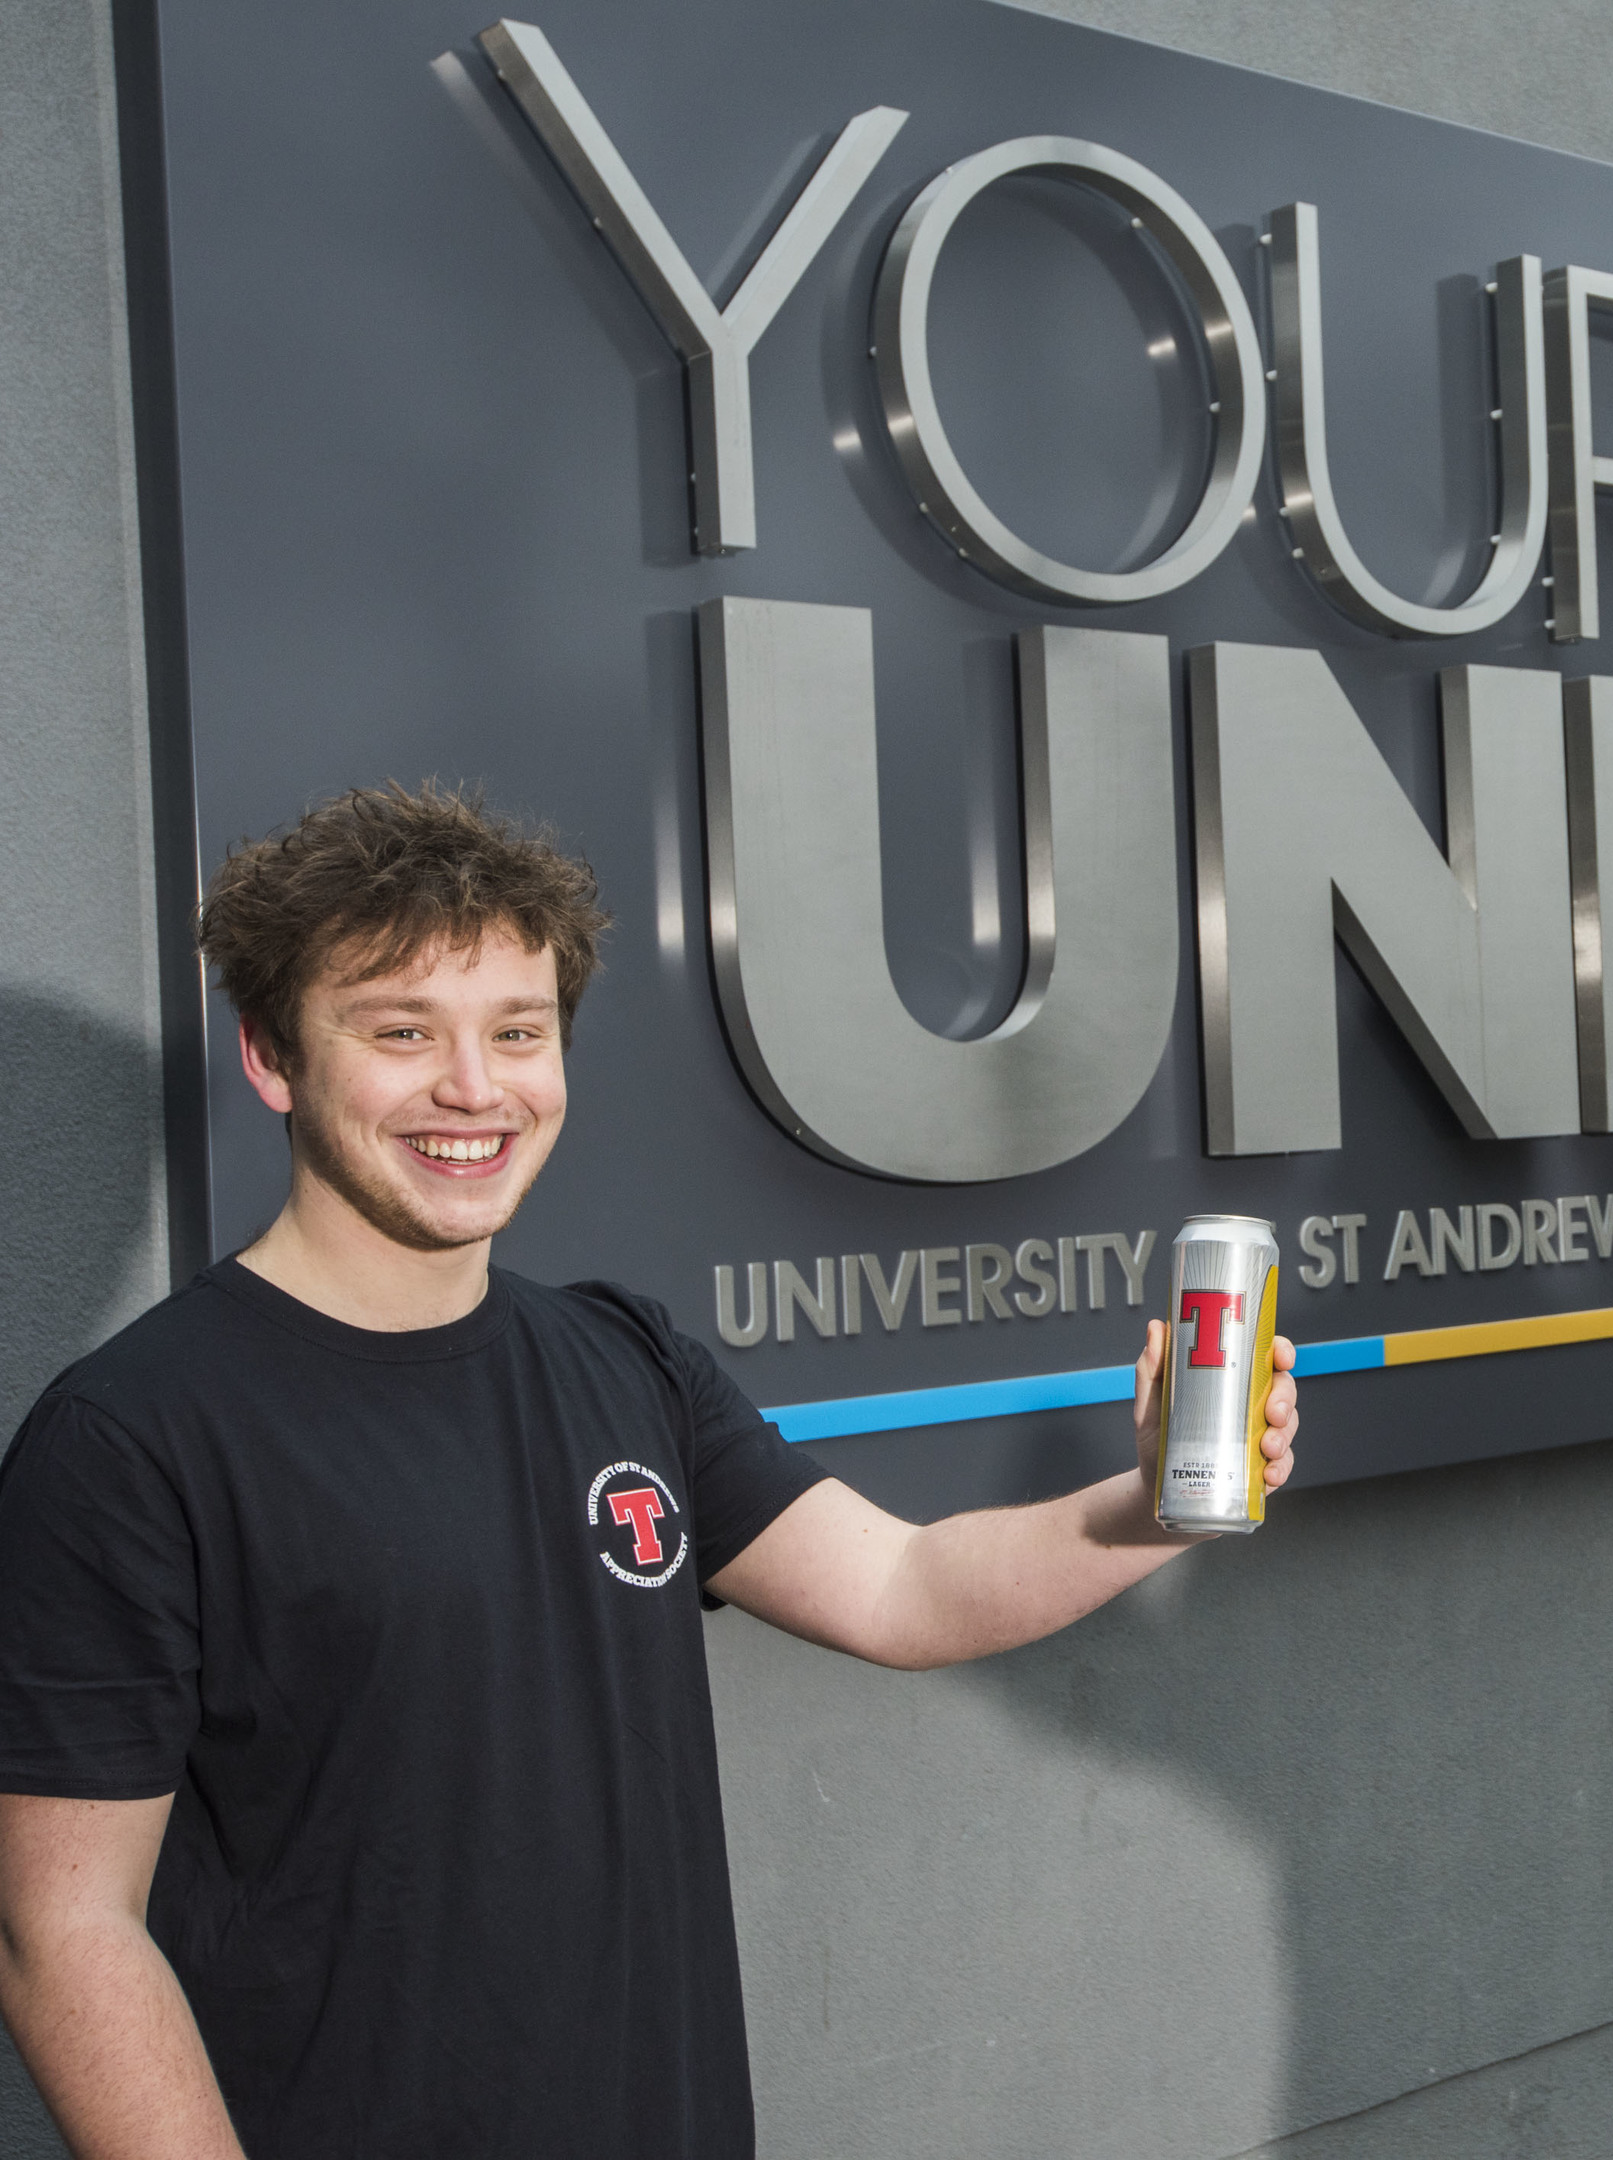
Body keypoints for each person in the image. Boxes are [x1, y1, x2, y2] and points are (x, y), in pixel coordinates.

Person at [0, 784, 1301, 2160]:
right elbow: (62, 1930)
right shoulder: (133, 1438)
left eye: (519, 1032)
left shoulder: (622, 1358)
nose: (475, 1088)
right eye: (400, 1033)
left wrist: (1160, 1499)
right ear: (272, 1056)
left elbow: (905, 1590)